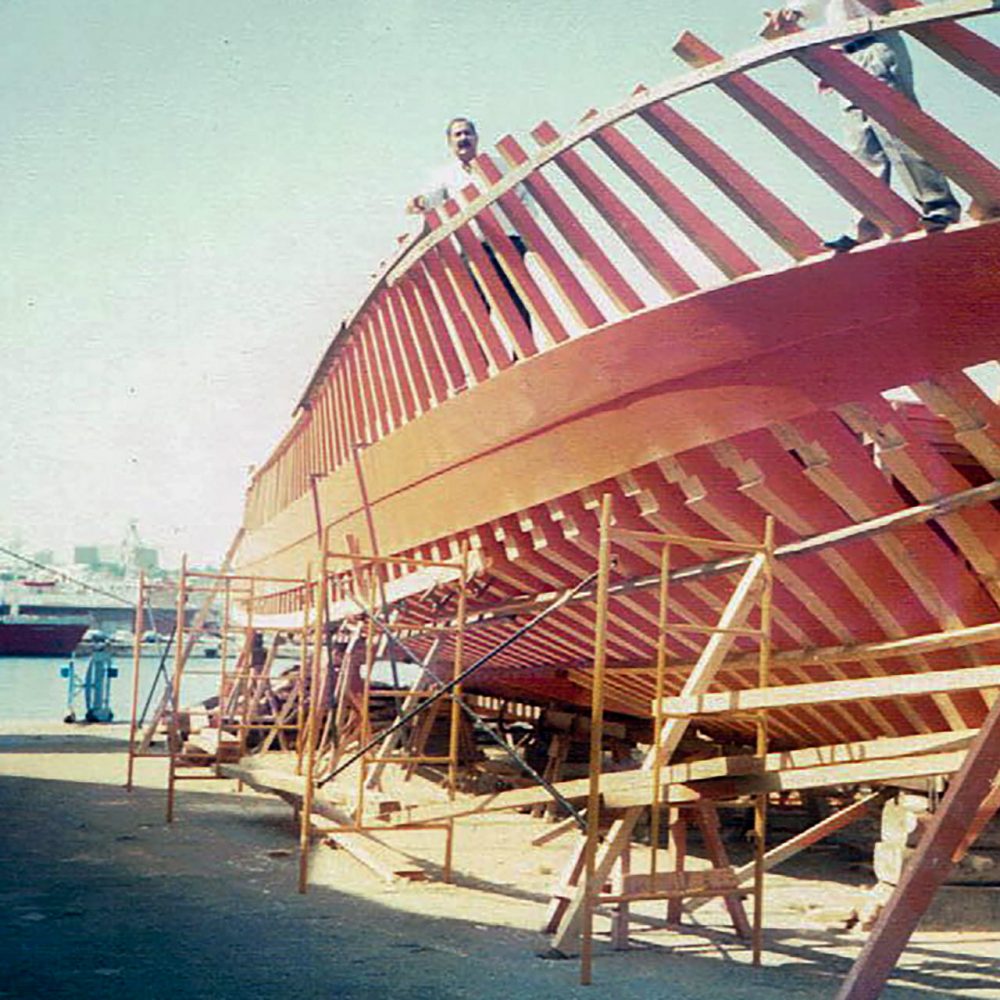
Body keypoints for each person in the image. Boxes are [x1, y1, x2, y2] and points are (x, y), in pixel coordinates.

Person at [763, 2, 961, 251]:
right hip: (847, 52)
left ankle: (939, 208)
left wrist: (796, 10)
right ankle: (865, 226)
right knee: (862, 146)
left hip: (874, 41)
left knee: (897, 133)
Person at [407, 117, 533, 333]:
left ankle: (524, 358)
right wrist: (419, 202)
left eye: (467, 133)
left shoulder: (499, 165)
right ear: (450, 142)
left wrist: (522, 233)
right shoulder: (446, 176)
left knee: (517, 302)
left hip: (507, 242)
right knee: (478, 308)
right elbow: (430, 199)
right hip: (472, 248)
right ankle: (485, 363)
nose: (463, 138)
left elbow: (525, 197)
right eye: (458, 135)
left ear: (476, 138)